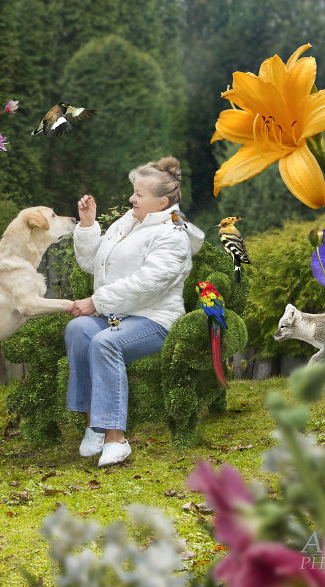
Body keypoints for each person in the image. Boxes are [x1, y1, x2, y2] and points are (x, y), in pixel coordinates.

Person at [65, 156, 204, 466]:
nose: (131, 198)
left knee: (106, 341)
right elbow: (92, 263)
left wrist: (97, 303)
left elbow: (148, 283)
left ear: (162, 201)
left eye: (139, 194)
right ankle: (95, 428)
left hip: (154, 319)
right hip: (117, 315)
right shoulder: (128, 221)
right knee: (78, 330)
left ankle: (117, 438)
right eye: (133, 191)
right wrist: (88, 225)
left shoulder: (173, 233)